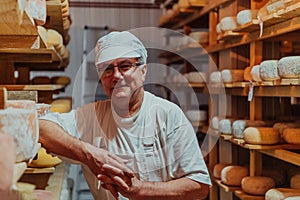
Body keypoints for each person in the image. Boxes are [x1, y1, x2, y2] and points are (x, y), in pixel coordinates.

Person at [39, 31, 211, 200]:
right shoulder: (91, 116)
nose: (116, 75)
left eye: (125, 66)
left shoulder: (167, 115)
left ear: (143, 71)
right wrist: (89, 154)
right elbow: (41, 128)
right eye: (107, 69)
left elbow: (199, 186)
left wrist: (141, 190)